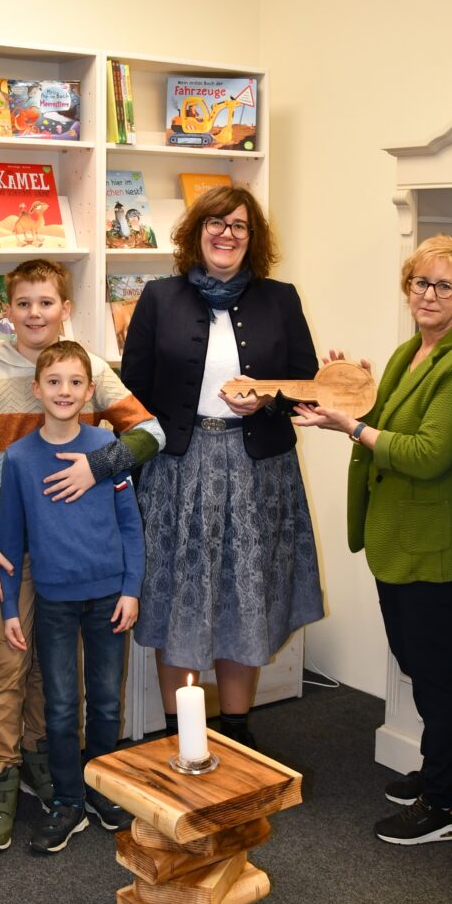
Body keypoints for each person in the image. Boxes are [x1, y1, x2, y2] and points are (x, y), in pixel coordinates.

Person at [0, 258, 163, 853]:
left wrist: (94, 466)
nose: (34, 314)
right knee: (7, 665)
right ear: (6, 311)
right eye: (23, 304)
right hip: (11, 543)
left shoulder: (90, 369)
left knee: (58, 681)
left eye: (46, 303)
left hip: (79, 549)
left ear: (65, 307)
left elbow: (149, 435)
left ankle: (47, 766)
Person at [294, 236, 452, 844]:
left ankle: (443, 806)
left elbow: (429, 454)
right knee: (415, 662)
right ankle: (443, 771)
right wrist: (349, 389)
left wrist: (351, 425)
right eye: (420, 283)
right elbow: (388, 418)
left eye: (445, 286)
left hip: (431, 542)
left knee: (436, 673)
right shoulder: (413, 350)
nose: (429, 295)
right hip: (395, 537)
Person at [120, 187, 323, 746]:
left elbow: (303, 387)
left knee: (244, 599)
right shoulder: (158, 297)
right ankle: (175, 735)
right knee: (176, 600)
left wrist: (266, 399)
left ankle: (237, 731)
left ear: (252, 239)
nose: (226, 234)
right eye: (215, 222)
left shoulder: (280, 299)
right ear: (196, 232)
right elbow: (131, 390)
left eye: (239, 225)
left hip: (258, 470)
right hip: (177, 470)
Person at [0, 341, 144, 854]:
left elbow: (131, 526)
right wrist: (9, 606)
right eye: (54, 381)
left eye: (75, 382)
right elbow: (10, 540)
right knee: (60, 706)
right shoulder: (18, 459)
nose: (64, 391)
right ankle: (67, 800)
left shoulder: (108, 448)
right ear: (36, 389)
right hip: (56, 602)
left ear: (89, 389)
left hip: (109, 597)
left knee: (105, 702)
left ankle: (103, 789)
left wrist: (131, 589)